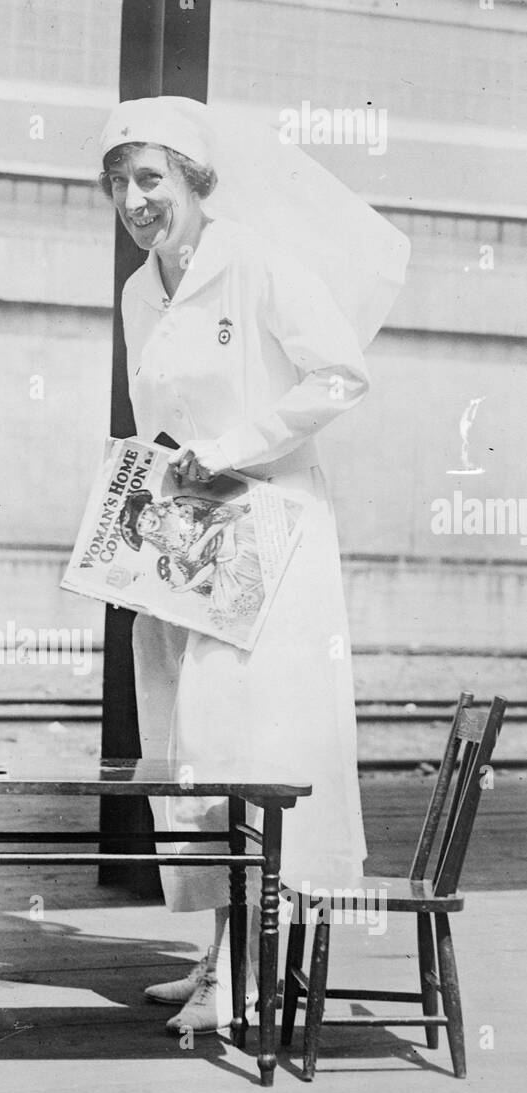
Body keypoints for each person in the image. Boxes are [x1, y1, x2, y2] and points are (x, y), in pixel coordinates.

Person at [98, 97, 408, 1034]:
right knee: (192, 740)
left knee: (252, 743)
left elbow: (339, 375)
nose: (132, 198)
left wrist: (235, 443)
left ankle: (252, 971)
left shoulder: (261, 264)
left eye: (149, 178)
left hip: (270, 529)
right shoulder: (138, 290)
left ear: (194, 180)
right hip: (187, 539)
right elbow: (159, 419)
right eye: (117, 182)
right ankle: (218, 956)